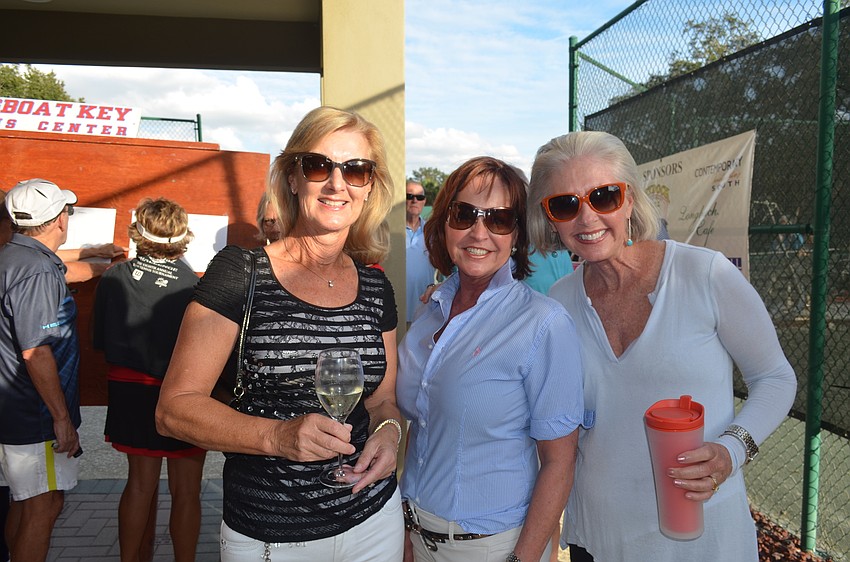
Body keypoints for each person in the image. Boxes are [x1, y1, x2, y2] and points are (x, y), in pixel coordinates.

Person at [525, 131, 797, 561]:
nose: (587, 217)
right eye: (565, 204)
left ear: (630, 200)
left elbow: (775, 377)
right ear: (549, 218)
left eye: (604, 196)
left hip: (704, 542)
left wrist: (732, 449)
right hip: (598, 541)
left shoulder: (705, 274)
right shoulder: (558, 303)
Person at [156, 106, 404, 562]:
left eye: (356, 169)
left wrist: (389, 434)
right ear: (292, 177)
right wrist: (277, 437)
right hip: (272, 531)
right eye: (319, 165)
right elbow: (174, 410)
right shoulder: (241, 272)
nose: (337, 183)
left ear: (370, 186)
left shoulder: (375, 287)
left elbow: (383, 400)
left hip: (373, 520)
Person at [397, 156, 583, 562]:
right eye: (464, 214)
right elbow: (424, 423)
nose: (479, 232)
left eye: (499, 219)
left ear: (516, 234)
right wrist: (408, 528)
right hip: (415, 535)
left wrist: (524, 558)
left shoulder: (542, 324)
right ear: (444, 223)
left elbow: (559, 463)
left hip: (491, 548)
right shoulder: (431, 311)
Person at [92, 197, 206, 562]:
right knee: (187, 491)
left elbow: (101, 340)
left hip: (130, 391)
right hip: (182, 391)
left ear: (138, 232)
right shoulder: (194, 286)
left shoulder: (113, 277)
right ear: (182, 234)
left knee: (139, 485)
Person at [0, 178, 83, 562]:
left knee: (24, 501)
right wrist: (61, 418)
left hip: (16, 409)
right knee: (44, 505)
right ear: (59, 220)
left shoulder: (13, 257)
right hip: (35, 416)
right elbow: (36, 351)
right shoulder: (37, 270)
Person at [405, 180, 437, 325]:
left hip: (423, 315)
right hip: (396, 314)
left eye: (419, 197)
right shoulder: (389, 233)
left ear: (424, 201)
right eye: (409, 196)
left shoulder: (432, 233)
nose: (414, 201)